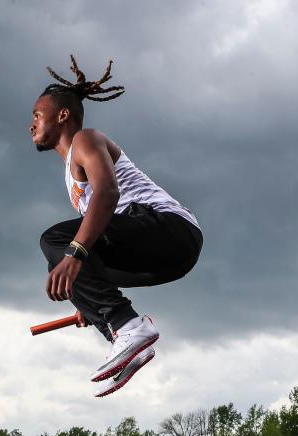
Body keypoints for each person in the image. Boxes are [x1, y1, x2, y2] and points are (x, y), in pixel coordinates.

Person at [31, 56, 203, 397]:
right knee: (63, 257)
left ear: (62, 115)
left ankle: (128, 325)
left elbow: (108, 193)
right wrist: (89, 301)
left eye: (37, 115)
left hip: (169, 229)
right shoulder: (70, 176)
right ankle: (125, 334)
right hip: (167, 260)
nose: (31, 124)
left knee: (59, 241)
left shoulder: (85, 141)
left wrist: (76, 255)